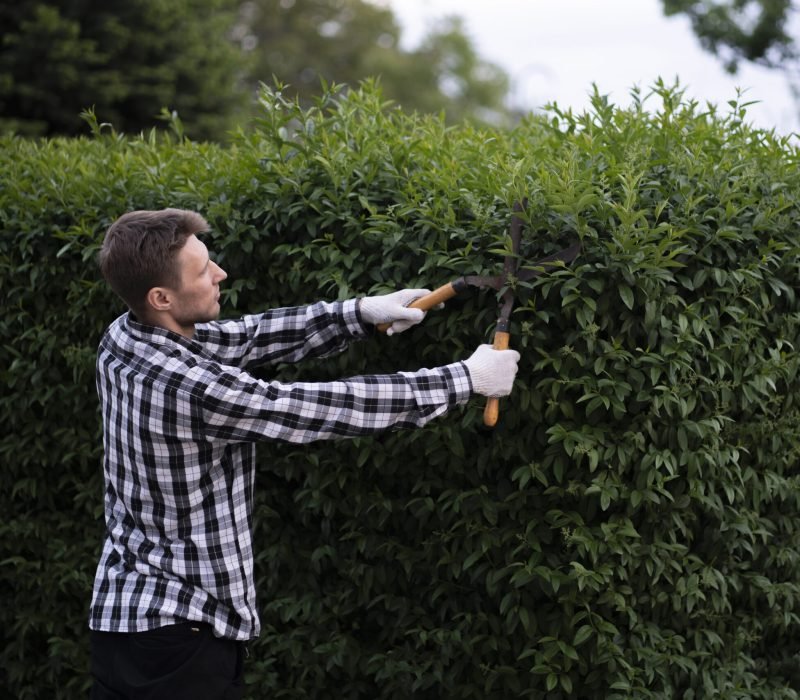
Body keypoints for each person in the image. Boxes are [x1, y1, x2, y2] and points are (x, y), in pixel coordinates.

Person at [88, 208, 520, 699]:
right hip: (176, 641)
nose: (220, 273)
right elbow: (309, 409)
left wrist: (357, 313)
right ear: (161, 297)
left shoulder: (126, 335)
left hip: (128, 623)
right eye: (203, 269)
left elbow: (247, 336)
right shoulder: (186, 388)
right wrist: (462, 380)